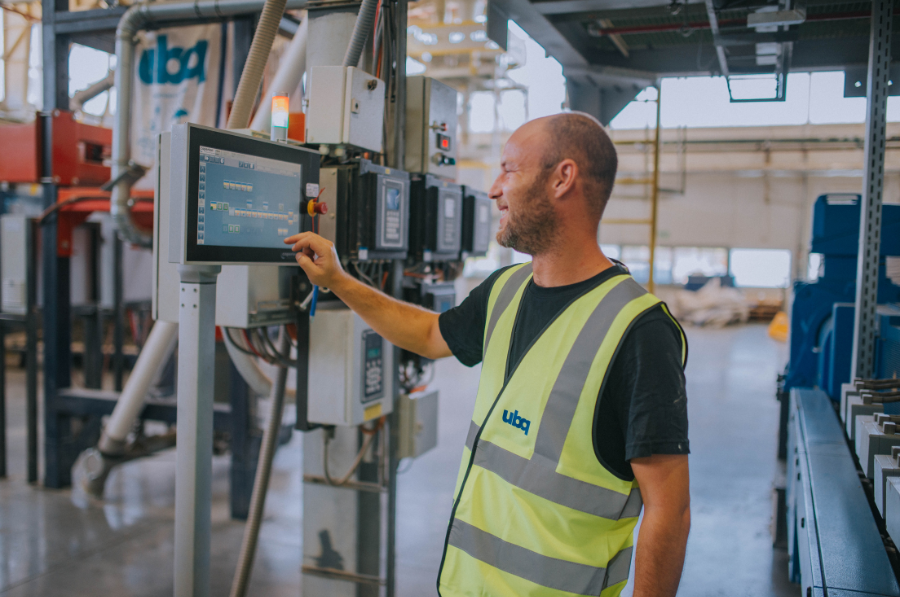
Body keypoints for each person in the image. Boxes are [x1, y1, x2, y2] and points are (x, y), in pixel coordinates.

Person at [284, 112, 691, 597]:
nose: (494, 189)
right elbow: (431, 334)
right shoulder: (506, 289)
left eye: (509, 170)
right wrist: (338, 281)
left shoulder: (639, 330)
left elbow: (669, 510)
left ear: (563, 178)